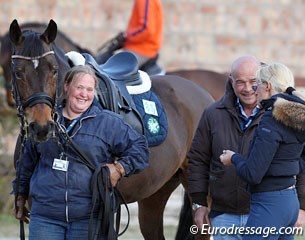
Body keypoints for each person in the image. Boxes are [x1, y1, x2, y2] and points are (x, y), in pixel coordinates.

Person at [13, 65, 149, 240]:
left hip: (89, 218)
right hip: (46, 218)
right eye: (79, 87)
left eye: (89, 89)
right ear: (66, 86)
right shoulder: (45, 121)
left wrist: (120, 168)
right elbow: (26, 162)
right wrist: (20, 195)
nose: (84, 94)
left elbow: (140, 149)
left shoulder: (108, 123)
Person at [220, 62, 305, 239]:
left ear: (267, 86)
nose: (253, 90)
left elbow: (253, 173)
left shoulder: (271, 119)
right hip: (290, 202)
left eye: (256, 84)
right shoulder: (297, 118)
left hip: (269, 204)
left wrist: (234, 158)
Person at [187, 55, 264, 240]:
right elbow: (197, 160)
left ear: (263, 80)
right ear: (231, 80)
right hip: (223, 216)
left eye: (253, 82)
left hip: (264, 214)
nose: (247, 89)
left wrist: (301, 206)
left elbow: (298, 162)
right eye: (240, 82)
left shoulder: (275, 115)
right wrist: (199, 204)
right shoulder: (212, 114)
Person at [96, 0, 164, 74]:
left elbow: (146, 28)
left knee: (112, 74)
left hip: (141, 49)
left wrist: (127, 36)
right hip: (139, 48)